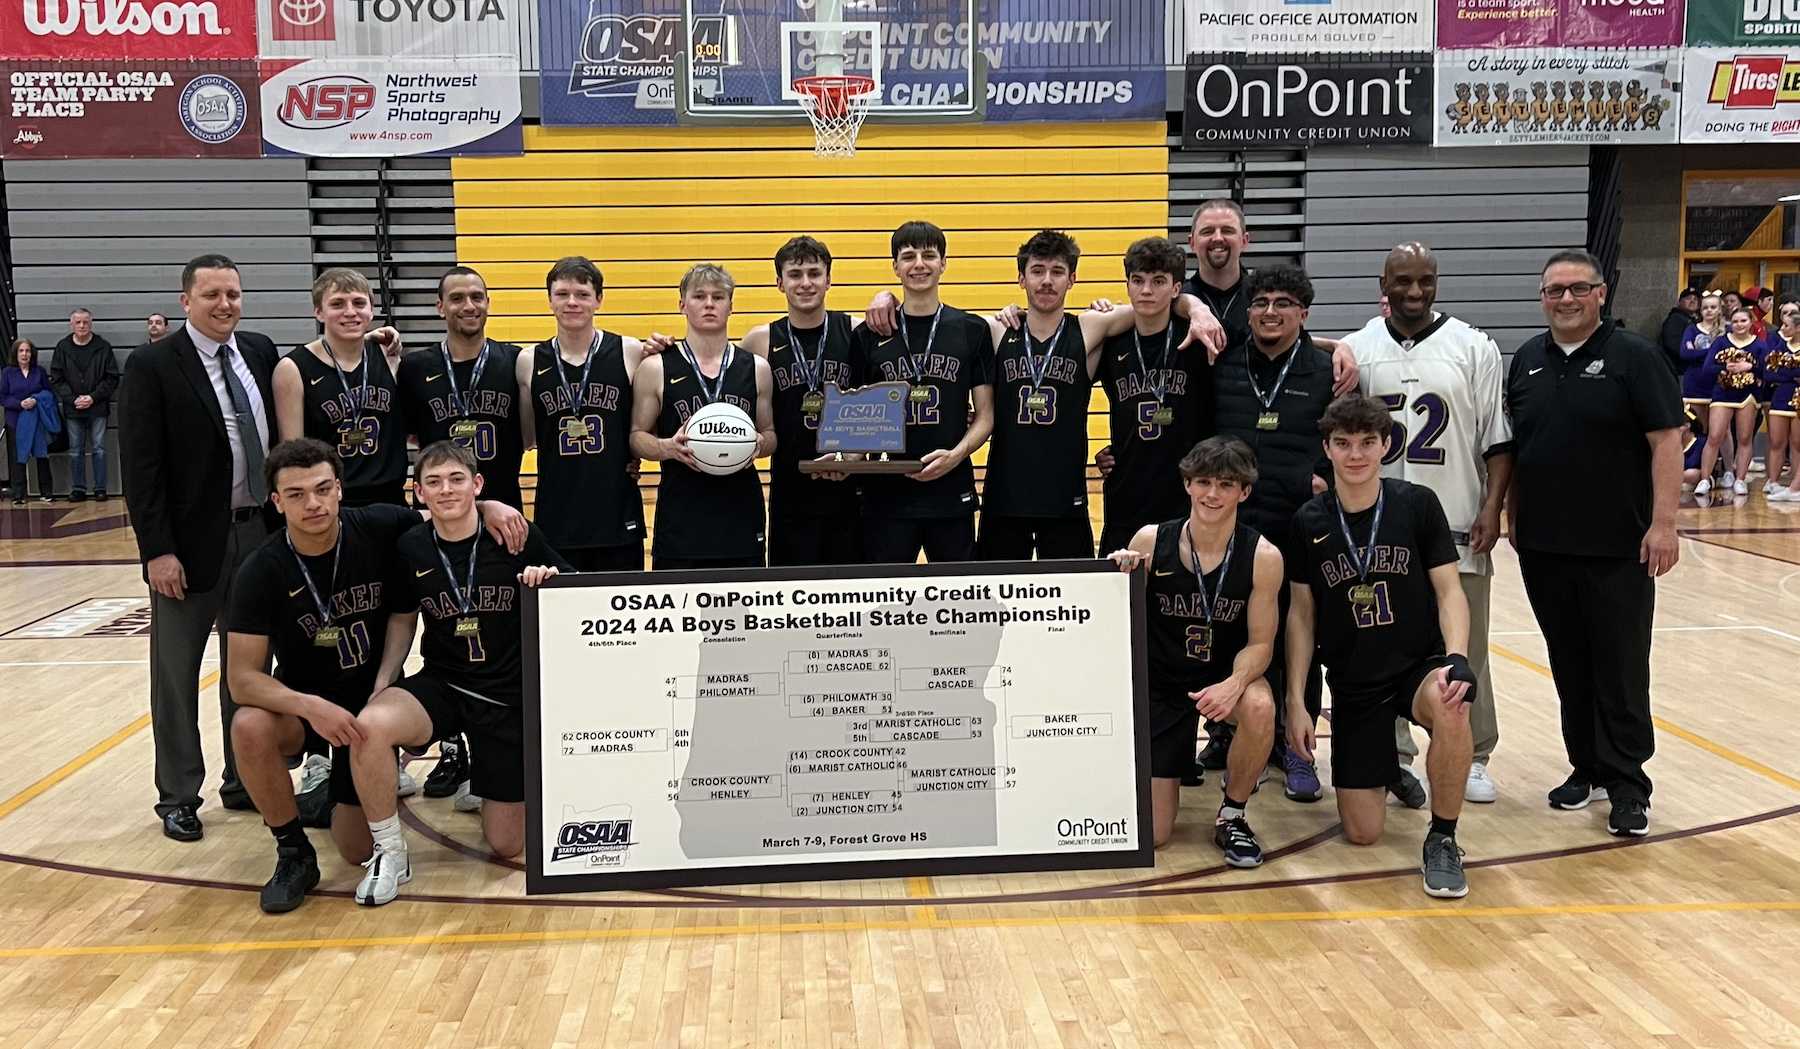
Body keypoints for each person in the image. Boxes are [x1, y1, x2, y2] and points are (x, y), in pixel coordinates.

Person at [226, 437, 526, 912]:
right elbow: (242, 680)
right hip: (306, 708)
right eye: (298, 494)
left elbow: (447, 507)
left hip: (364, 704)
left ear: (340, 489)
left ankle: (354, 788)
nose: (314, 503)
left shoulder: (382, 527)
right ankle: (292, 851)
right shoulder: (261, 569)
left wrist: (488, 504)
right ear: (276, 501)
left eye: (323, 489)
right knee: (248, 724)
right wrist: (309, 705)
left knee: (354, 850)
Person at [1506, 248, 1682, 838]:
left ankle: (1629, 782)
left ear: (1600, 293)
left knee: (1622, 664)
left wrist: (1664, 524)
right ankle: (1586, 765)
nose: (1565, 300)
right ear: (1542, 298)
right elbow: (1519, 448)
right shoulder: (1528, 359)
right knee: (1569, 663)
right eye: (1554, 290)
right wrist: (1507, 514)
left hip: (1619, 546)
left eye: (1577, 289)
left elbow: (1666, 443)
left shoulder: (1636, 358)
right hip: (1545, 545)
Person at [347, 441, 567, 905]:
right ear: (419, 492)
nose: (446, 490)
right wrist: (385, 679)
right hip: (443, 682)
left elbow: (574, 588)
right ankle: (390, 851)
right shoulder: (409, 546)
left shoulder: (514, 534)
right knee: (370, 727)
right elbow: (404, 615)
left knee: (506, 844)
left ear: (477, 485)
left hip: (506, 697)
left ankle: (487, 781)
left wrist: (547, 578)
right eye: (433, 481)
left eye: (456, 479)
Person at [1286, 393, 1479, 899]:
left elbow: (1449, 590)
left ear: (1386, 446)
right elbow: (1302, 616)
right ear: (1326, 448)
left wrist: (1457, 658)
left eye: (1367, 443)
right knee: (1363, 833)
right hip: (1354, 682)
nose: (1356, 455)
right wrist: (1295, 700)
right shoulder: (1309, 520)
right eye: (1344, 443)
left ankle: (1443, 838)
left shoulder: (1416, 504)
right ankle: (1387, 768)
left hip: (1418, 665)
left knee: (1453, 703)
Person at [1344, 243, 1512, 806]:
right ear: (1383, 284)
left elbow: (1496, 439)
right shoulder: (1357, 348)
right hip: (1379, 528)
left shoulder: (1474, 347)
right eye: (1403, 282)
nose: (1414, 293)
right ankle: (1394, 756)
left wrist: (1493, 508)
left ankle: (1476, 752)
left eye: (1424, 282)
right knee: (1381, 642)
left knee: (1467, 647)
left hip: (1458, 519)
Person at [119, 253, 280, 838]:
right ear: (186, 301)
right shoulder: (154, 365)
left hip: (259, 535)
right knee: (177, 675)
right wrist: (156, 550)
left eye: (232, 294)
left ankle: (245, 778)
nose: (224, 305)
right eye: (211, 295)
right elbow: (141, 467)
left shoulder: (259, 352)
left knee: (250, 671)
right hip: (187, 549)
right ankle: (179, 794)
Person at [1108, 436, 1281, 863]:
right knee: (1157, 835)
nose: (1212, 494)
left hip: (1221, 676)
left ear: (1244, 492)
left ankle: (1233, 814)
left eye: (1226, 485)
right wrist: (1118, 575)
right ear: (1187, 484)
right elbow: (1116, 624)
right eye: (1203, 482)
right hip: (1162, 681)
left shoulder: (1263, 556)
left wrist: (1234, 683)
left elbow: (1261, 643)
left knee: (1259, 706)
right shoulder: (1149, 541)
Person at [1212, 265, 1337, 803]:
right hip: (1235, 527)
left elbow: (1349, 435)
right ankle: (1229, 734)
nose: (1269, 311)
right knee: (1231, 632)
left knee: (1298, 636)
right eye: (1260, 301)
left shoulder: (1329, 369)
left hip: (1301, 527)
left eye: (1283, 303)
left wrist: (1325, 479)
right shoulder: (1222, 364)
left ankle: (1296, 746)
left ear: (1303, 314)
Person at [850, 221, 996, 563]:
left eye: (929, 255)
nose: (919, 264)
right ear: (895, 266)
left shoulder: (971, 330)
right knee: (883, 602)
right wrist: (844, 459)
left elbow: (986, 415)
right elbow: (855, 418)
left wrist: (956, 456)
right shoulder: (868, 335)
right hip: (885, 495)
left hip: (951, 491)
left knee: (957, 601)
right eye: (908, 256)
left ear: (943, 263)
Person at [630, 264, 776, 570]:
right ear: (682, 304)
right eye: (699, 296)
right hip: (681, 518)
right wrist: (666, 447)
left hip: (741, 515)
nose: (709, 303)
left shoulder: (756, 368)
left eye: (718, 297)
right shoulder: (656, 367)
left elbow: (771, 433)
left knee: (742, 615)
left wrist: (759, 444)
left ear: (731, 306)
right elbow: (636, 436)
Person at [519, 257, 651, 571]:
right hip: (557, 515)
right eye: (562, 294)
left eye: (582, 293)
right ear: (549, 299)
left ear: (599, 300)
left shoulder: (629, 351)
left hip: (618, 515)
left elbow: (645, 428)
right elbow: (528, 437)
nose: (572, 302)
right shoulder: (528, 361)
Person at [740, 237, 863, 566]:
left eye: (814, 273)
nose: (806, 283)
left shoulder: (855, 331)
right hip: (789, 491)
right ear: (780, 283)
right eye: (795, 274)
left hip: (850, 489)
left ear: (829, 280)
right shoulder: (758, 340)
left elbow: (883, 405)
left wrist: (855, 454)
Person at [273, 269, 407, 508]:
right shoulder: (293, 368)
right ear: (318, 312)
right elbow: (292, 456)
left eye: (358, 302)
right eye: (337, 304)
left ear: (371, 309)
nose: (350, 312)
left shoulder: (387, 354)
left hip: (391, 499)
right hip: (332, 504)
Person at [399, 266, 527, 511]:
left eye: (477, 297)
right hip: (437, 511)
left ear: (488, 303)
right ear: (440, 307)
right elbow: (412, 435)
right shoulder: (414, 368)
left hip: (504, 509)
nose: (469, 306)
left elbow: (528, 435)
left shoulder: (515, 361)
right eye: (457, 298)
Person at [51, 306, 119, 502]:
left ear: (91, 323)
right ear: (71, 324)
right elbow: (57, 378)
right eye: (78, 322)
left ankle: (100, 488)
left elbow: (112, 377)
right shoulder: (62, 348)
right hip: (73, 409)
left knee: (99, 449)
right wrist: (73, 399)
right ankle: (78, 488)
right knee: (75, 451)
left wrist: (93, 398)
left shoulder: (103, 347)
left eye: (86, 322)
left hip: (97, 407)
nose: (82, 325)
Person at [1694, 305, 1763, 499]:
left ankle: (1740, 479)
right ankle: (1705, 479)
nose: (1739, 325)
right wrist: (1726, 367)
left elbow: (1767, 370)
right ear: (1729, 323)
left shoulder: (1759, 345)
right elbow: (1707, 368)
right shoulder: (1721, 342)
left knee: (1744, 437)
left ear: (1751, 322)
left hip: (1748, 395)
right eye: (1735, 321)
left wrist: (1750, 366)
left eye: (1743, 321)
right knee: (1714, 436)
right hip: (1723, 393)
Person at [1677, 291, 1724, 489]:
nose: (1708, 311)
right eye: (1705, 307)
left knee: (1719, 432)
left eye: (1713, 307)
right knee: (1697, 427)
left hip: (1719, 385)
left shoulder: (1725, 332)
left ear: (1720, 309)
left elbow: (1724, 358)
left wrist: (1702, 354)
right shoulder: (1691, 329)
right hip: (1694, 384)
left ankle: (1718, 471)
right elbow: (1685, 353)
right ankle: (1697, 471)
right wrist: (1712, 352)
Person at [3, 338, 55, 503]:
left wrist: (35, 399)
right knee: (18, 456)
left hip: (37, 419)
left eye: (27, 351)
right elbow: (3, 396)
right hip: (15, 420)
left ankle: (46, 492)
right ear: (15, 354)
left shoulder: (39, 371)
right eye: (21, 351)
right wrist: (19, 404)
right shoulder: (7, 373)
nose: (24, 354)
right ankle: (19, 494)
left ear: (32, 354)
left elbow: (49, 393)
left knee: (42, 456)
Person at [1765, 299, 1800, 501]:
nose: (1783, 328)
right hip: (1779, 397)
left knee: (1796, 444)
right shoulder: (1779, 345)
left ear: (1797, 328)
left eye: (1787, 325)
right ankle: (1773, 482)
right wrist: (1791, 375)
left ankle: (1795, 485)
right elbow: (1769, 374)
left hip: (1797, 401)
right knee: (1777, 442)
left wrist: (1785, 371)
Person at [1659, 286, 1700, 377]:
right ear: (1680, 302)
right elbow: (1672, 344)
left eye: (1695, 299)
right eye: (1688, 298)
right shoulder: (1676, 319)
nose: (1692, 301)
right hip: (1678, 370)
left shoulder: (1693, 320)